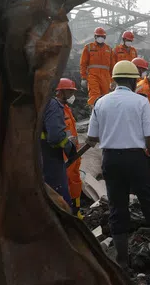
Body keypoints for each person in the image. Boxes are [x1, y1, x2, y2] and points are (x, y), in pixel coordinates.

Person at [86, 60, 150, 270]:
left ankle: (122, 262)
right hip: (136, 159)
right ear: (133, 81)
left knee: (117, 208)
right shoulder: (140, 102)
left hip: (111, 160)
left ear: (114, 80)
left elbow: (91, 138)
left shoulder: (101, 102)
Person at [41, 85, 78, 207]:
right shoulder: (53, 105)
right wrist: (69, 146)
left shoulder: (36, 104)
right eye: (69, 91)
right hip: (52, 156)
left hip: (37, 154)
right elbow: (56, 136)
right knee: (59, 196)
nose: (72, 94)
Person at [55, 78, 84, 219]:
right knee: (64, 184)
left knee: (75, 181)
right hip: (64, 155)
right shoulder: (55, 110)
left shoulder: (66, 108)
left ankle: (76, 210)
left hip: (74, 154)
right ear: (60, 92)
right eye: (70, 91)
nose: (72, 95)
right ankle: (66, 212)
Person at [79, 27, 113, 107]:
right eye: (98, 36)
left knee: (106, 96)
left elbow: (112, 66)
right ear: (95, 37)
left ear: (104, 37)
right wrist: (84, 77)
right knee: (94, 95)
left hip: (106, 77)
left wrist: (112, 80)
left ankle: (105, 115)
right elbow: (83, 64)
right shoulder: (89, 47)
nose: (100, 38)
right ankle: (94, 114)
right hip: (93, 76)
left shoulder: (109, 49)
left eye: (102, 36)